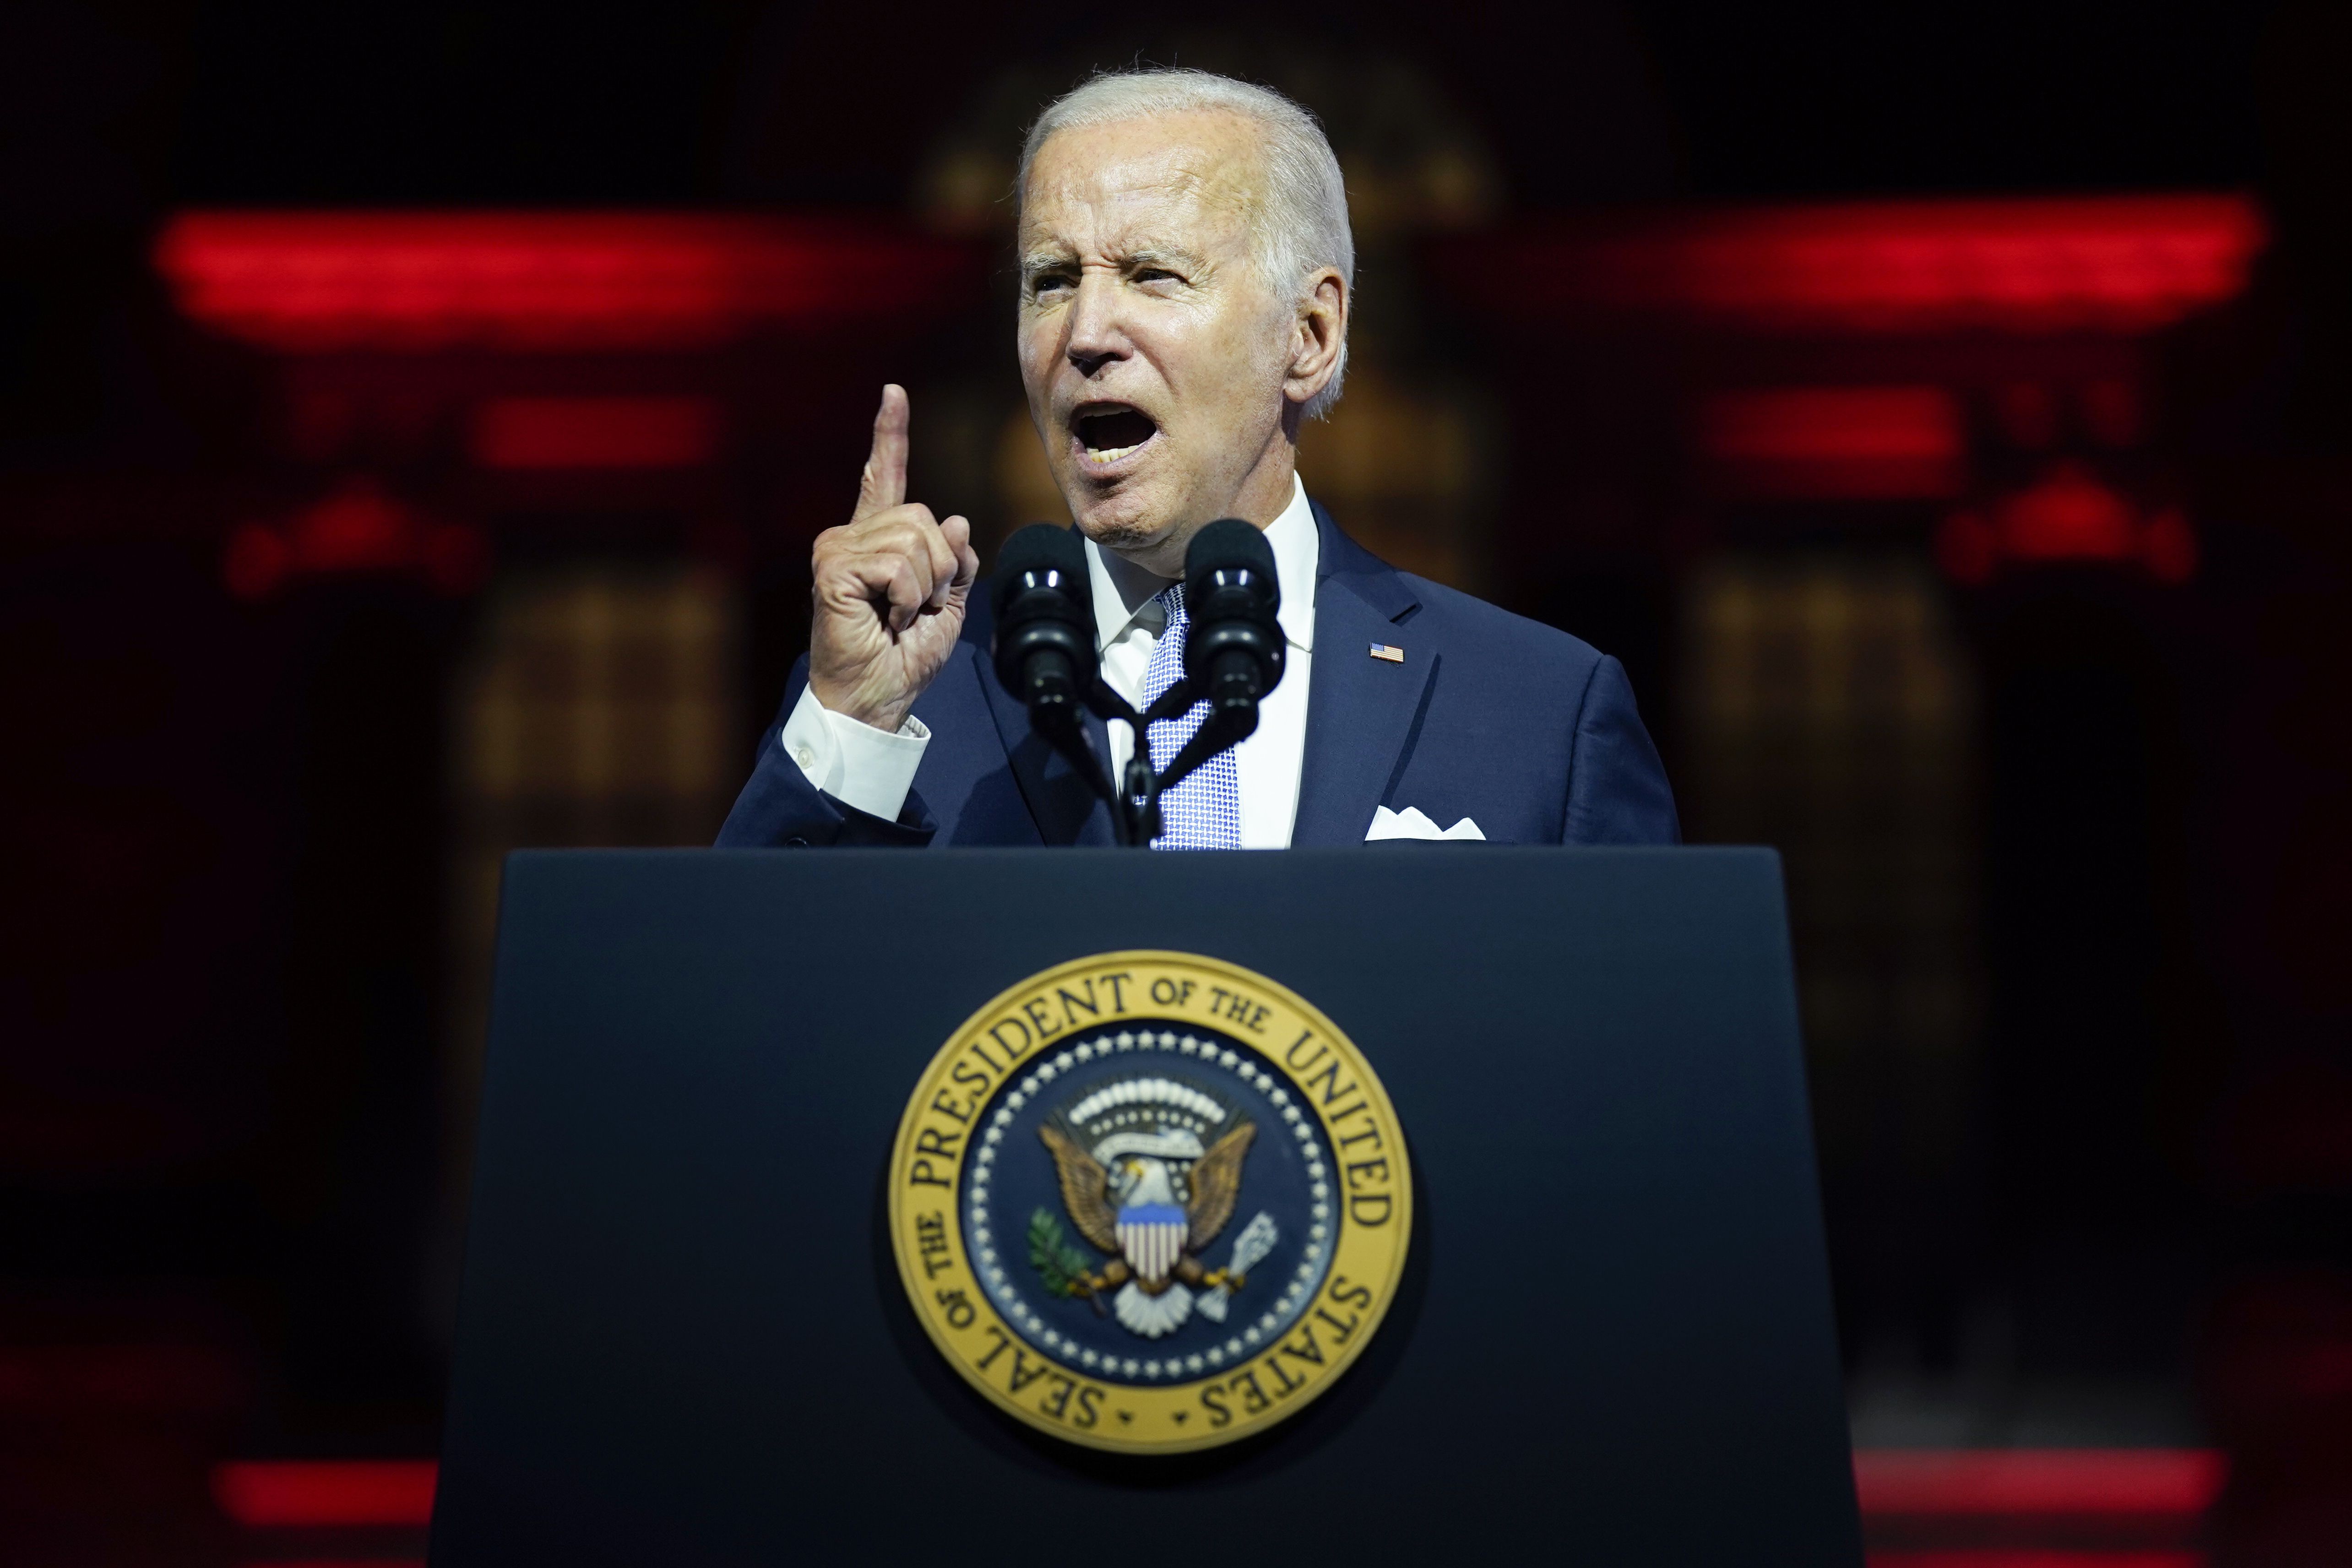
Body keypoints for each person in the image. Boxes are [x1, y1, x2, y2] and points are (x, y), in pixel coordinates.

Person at [717, 68, 1677, 849]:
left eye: (1153, 275)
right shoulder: (903, 694)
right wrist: (850, 720)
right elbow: (744, 1026)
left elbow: (1638, 1062)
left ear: (1309, 334)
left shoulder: (1541, 711)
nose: (1086, 331)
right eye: (1051, 282)